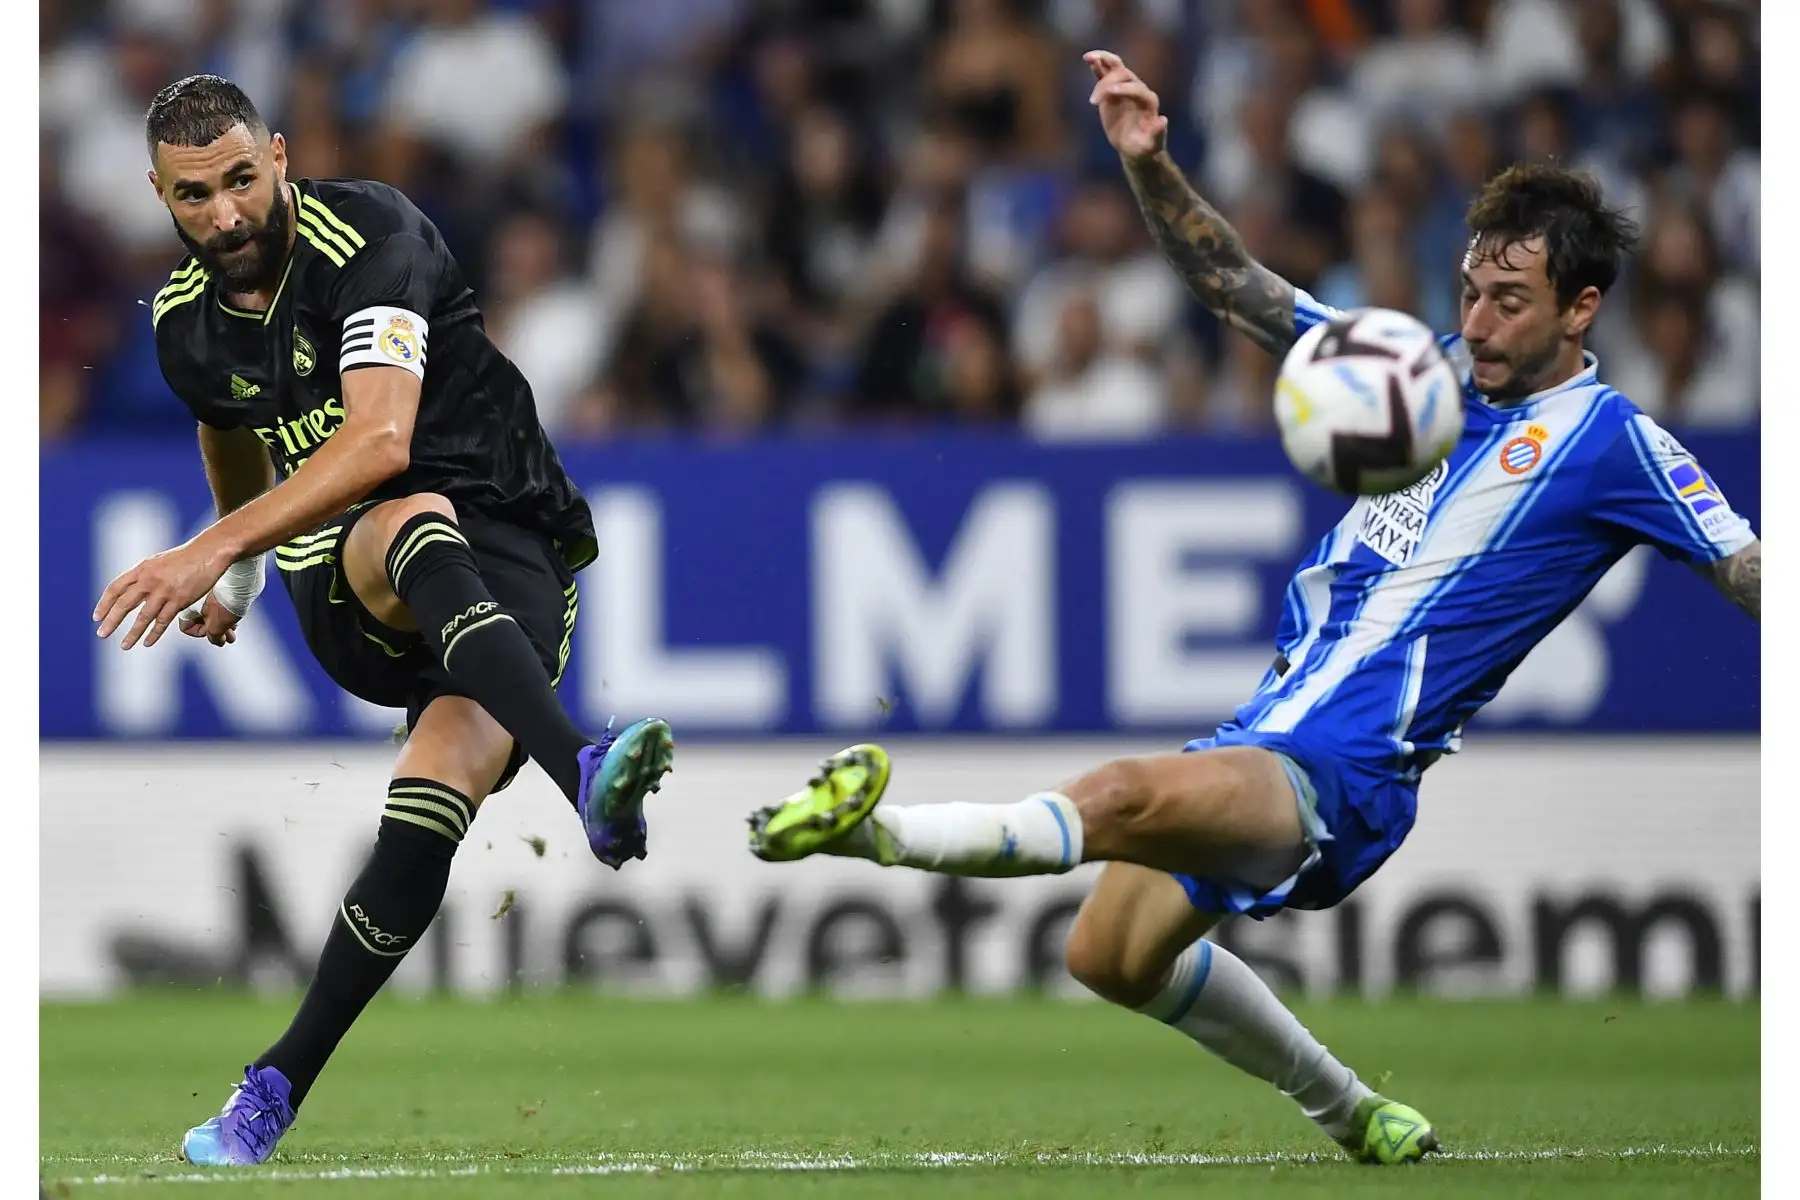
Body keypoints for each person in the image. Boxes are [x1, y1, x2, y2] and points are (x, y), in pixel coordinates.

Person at [745, 50, 1761, 1165]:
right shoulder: (1414, 373)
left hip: (1350, 765)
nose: (1477, 322)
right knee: (1110, 955)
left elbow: (1745, 569)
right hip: (1270, 725)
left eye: (1510, 303)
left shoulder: (1615, 442)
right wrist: (1151, 163)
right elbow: (1236, 282)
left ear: (1582, 308)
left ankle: (874, 832)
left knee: (1121, 793)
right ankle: (1357, 1112)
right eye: (1470, 292)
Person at [91, 75, 678, 1167]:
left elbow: (378, 438)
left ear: (277, 155)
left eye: (239, 181)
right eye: (194, 197)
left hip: (510, 551)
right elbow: (239, 444)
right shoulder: (183, 324)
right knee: (405, 519)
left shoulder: (367, 231)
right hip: (350, 567)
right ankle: (587, 773)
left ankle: (270, 1087)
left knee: (425, 816)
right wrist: (244, 572)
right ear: (160, 197)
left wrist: (204, 552)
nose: (224, 214)